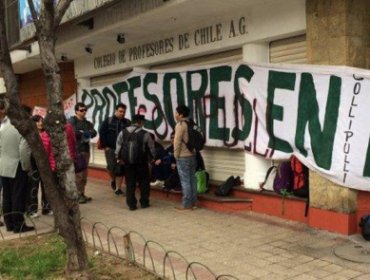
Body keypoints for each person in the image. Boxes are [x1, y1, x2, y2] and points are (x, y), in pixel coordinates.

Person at [0, 99, 34, 233]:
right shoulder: (22, 127)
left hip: (4, 165)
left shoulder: (4, 126)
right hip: (17, 165)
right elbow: (23, 150)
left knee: (7, 195)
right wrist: (27, 167)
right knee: (18, 196)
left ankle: (9, 224)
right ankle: (19, 225)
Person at [115, 114, 155, 211]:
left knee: (130, 182)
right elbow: (151, 148)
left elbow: (118, 146)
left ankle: (131, 204)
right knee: (144, 182)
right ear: (141, 122)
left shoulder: (123, 132)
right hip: (142, 162)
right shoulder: (145, 134)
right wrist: (152, 158)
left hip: (128, 162)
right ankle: (144, 202)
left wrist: (118, 158)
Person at [98, 103, 131, 195]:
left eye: (124, 112)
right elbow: (101, 132)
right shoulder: (108, 121)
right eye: (120, 111)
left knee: (120, 168)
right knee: (111, 167)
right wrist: (105, 146)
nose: (122, 113)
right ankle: (113, 179)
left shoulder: (127, 122)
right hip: (111, 149)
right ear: (116, 111)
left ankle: (118, 189)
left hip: (122, 149)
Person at [69, 102, 97, 204]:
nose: (84, 112)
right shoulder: (72, 121)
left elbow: (94, 132)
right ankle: (77, 195)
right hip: (77, 151)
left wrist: (83, 133)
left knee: (84, 175)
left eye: (85, 110)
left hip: (86, 150)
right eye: (81, 110)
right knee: (79, 175)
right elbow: (73, 132)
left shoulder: (87, 123)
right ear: (76, 111)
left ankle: (81, 193)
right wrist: (86, 134)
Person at [173, 105, 197, 211]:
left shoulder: (180, 125)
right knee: (192, 180)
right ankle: (194, 202)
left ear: (181, 114)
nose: (175, 114)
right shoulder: (191, 123)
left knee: (185, 181)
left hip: (183, 156)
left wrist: (176, 155)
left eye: (176, 113)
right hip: (193, 155)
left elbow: (177, 141)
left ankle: (186, 204)